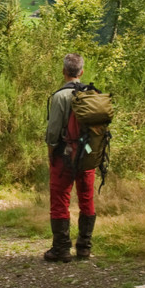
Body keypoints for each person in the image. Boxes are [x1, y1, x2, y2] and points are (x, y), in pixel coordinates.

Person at [43, 53, 96, 262]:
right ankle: (84, 248)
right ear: (81, 72)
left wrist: (51, 153)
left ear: (64, 71)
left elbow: (53, 132)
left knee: (59, 200)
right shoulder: (92, 94)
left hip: (64, 156)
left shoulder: (60, 97)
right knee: (86, 199)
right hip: (88, 155)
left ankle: (61, 249)